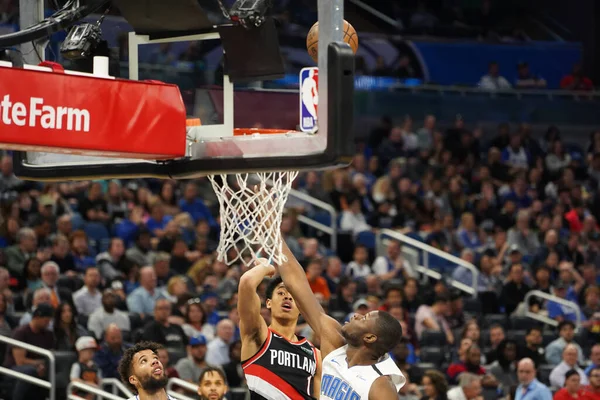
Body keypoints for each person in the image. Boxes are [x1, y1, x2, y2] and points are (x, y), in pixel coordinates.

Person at [275, 242, 406, 400]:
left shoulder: (380, 385)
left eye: (364, 319)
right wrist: (274, 233)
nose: (356, 315)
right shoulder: (334, 346)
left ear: (370, 337)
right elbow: (295, 284)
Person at [238, 258, 320, 399]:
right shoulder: (259, 334)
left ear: (300, 308)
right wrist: (266, 268)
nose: (287, 297)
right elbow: (247, 282)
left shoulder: (315, 354)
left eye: (292, 296)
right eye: (281, 293)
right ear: (268, 303)